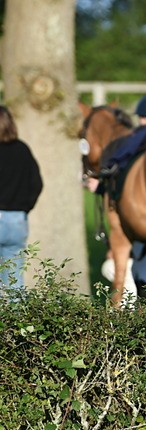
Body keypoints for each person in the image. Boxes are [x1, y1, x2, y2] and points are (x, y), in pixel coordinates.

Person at [0, 105, 43, 293]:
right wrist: (24, 207)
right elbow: (37, 184)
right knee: (14, 281)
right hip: (17, 220)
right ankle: (16, 322)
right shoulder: (23, 149)